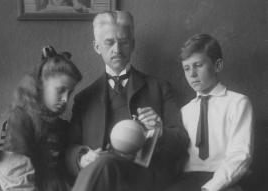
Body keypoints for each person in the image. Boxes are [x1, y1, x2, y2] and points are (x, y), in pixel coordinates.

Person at [66, 11, 189, 191]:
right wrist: (81, 157)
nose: (117, 49)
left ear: (132, 45)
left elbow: (182, 140)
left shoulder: (159, 88)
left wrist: (159, 132)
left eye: (123, 42)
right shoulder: (84, 98)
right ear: (97, 47)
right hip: (101, 178)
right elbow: (69, 148)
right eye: (109, 42)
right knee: (104, 162)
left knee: (105, 162)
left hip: (144, 177)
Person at [0, 46, 82, 191]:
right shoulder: (19, 121)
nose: (65, 99)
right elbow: (16, 183)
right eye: (60, 90)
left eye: (70, 92)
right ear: (41, 85)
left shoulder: (60, 125)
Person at [165, 34, 254, 191]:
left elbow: (240, 155)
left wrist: (210, 188)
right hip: (187, 182)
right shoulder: (185, 111)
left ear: (217, 65)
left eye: (198, 65)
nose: (192, 74)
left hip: (225, 180)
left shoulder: (238, 103)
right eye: (186, 68)